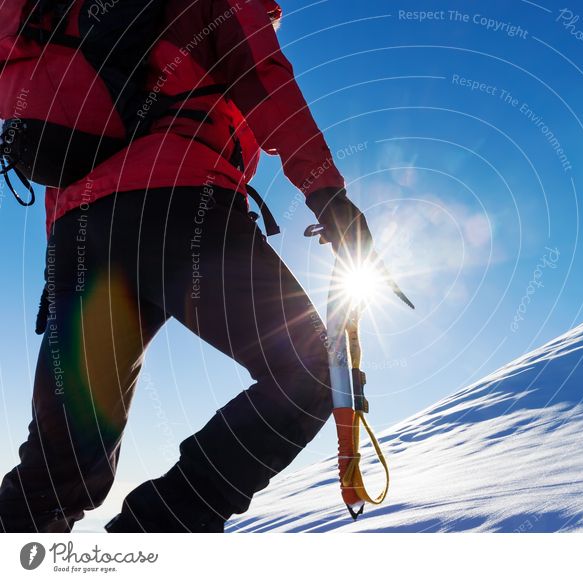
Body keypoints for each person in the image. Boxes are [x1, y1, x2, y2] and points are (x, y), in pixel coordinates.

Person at [0, 0, 372, 533]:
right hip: (180, 208)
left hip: (77, 237)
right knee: (313, 373)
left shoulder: (48, 14)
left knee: (63, 464)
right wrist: (327, 192)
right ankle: (153, 538)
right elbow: (262, 79)